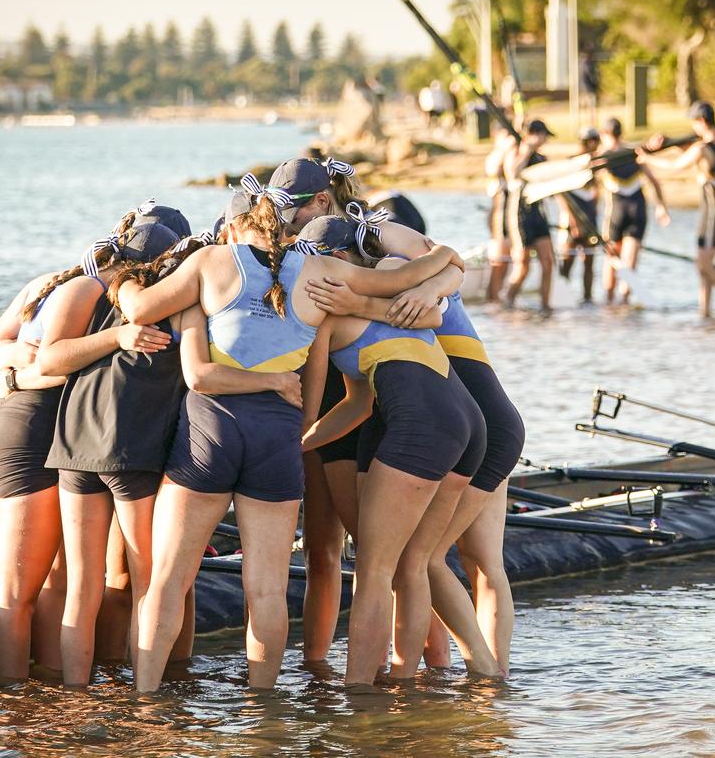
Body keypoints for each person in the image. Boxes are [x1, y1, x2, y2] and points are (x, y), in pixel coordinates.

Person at [116, 179, 463, 691]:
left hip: (209, 433)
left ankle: (146, 698)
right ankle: (263, 711)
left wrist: (120, 278)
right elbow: (396, 290)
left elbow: (139, 309)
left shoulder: (213, 262)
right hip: (276, 441)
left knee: (168, 580)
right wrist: (447, 258)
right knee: (267, 591)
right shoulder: (321, 270)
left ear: (237, 225)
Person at [303, 209, 523, 677]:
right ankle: (477, 681)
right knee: (441, 562)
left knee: (406, 565)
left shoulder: (387, 278)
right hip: (475, 419)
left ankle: (383, 691)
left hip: (460, 422)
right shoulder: (398, 279)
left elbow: (438, 273)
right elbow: (357, 402)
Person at [36, 222, 182, 688]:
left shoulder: (91, 294)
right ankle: (145, 695)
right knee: (148, 584)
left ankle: (77, 696)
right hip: (133, 452)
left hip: (76, 446)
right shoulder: (178, 301)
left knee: (82, 585)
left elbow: (49, 359)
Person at [0, 271, 70, 683]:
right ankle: (19, 704)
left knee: (7, 592)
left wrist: (12, 368)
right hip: (31, 441)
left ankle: (7, 709)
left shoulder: (48, 282)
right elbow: (65, 369)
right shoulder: (100, 298)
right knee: (31, 593)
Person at [638, 101, 715, 318]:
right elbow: (694, 148)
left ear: (701, 121)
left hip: (714, 210)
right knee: (703, 265)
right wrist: (670, 142)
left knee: (704, 265)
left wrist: (647, 159)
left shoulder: (701, 148)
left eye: (694, 123)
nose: (693, 127)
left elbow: (675, 166)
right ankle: (705, 312)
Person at [598, 117, 670, 305]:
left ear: (604, 134)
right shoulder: (635, 152)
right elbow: (655, 182)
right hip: (638, 210)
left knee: (611, 258)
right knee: (629, 262)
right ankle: (624, 301)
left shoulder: (602, 155)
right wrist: (661, 207)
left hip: (616, 212)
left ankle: (608, 300)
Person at [505, 118, 556, 315]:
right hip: (520, 212)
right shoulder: (516, 153)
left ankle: (546, 305)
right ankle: (508, 300)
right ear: (535, 134)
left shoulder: (542, 158)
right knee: (523, 264)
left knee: (548, 262)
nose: (545, 141)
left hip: (539, 212)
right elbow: (512, 174)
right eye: (543, 136)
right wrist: (526, 152)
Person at [557, 127, 601, 304]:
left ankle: (588, 299)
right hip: (572, 219)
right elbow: (561, 193)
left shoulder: (595, 163)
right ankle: (561, 297)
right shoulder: (571, 163)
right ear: (589, 142)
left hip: (590, 217)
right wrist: (571, 218)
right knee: (568, 261)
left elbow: (595, 190)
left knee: (589, 261)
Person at [484, 120, 519, 301]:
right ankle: (492, 300)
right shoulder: (495, 156)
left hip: (509, 213)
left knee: (506, 261)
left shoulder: (511, 155)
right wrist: (508, 146)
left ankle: (500, 297)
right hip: (498, 213)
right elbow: (494, 169)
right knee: (499, 261)